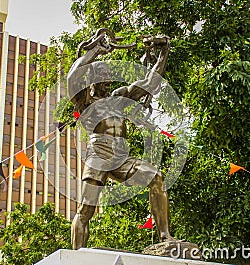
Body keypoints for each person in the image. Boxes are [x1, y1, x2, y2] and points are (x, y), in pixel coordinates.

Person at [68, 29, 173, 250]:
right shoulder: (85, 102)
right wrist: (95, 50)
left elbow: (150, 82)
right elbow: (72, 77)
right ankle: (76, 256)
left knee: (156, 177)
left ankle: (165, 237)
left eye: (108, 76)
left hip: (121, 156)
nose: (106, 80)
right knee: (86, 210)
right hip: (99, 153)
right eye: (101, 76)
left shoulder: (118, 98)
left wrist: (164, 51)